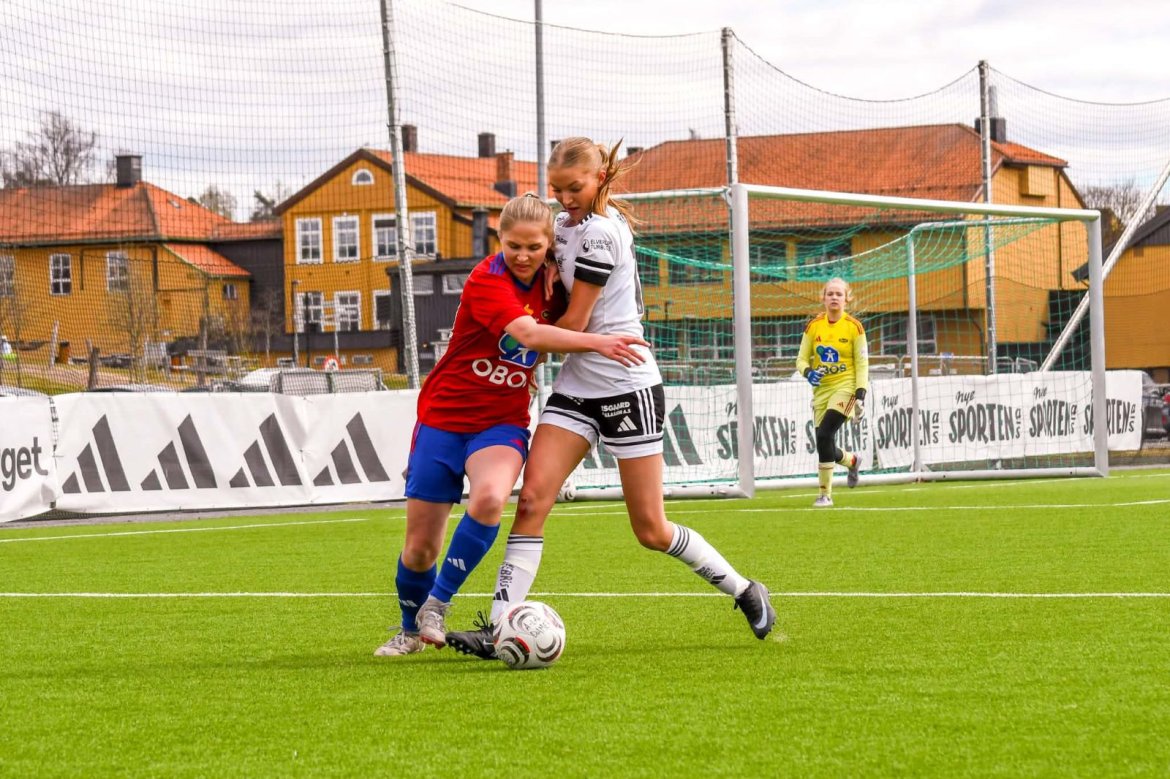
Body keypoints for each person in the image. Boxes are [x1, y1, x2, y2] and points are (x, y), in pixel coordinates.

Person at [443, 137, 776, 660]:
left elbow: (575, 322)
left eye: (573, 188)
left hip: (627, 385)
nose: (564, 198)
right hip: (578, 386)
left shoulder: (601, 233)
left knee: (650, 529)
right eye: (556, 189)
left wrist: (520, 343)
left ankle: (744, 590)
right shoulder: (563, 226)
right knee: (531, 500)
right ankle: (502, 624)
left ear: (599, 178)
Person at [375, 193, 648, 657]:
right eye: (513, 246)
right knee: (420, 549)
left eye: (534, 247)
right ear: (499, 239)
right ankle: (409, 631)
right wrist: (598, 343)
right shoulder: (487, 279)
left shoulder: (557, 283)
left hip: (501, 422)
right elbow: (528, 334)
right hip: (443, 417)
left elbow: (593, 290)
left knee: (489, 499)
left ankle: (437, 605)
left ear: (549, 246)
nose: (522, 256)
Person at [795, 277, 869, 507]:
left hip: (846, 388)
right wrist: (808, 372)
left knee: (826, 433)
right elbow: (801, 359)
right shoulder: (814, 326)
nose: (834, 297)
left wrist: (860, 392)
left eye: (839, 294)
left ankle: (824, 495)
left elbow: (862, 362)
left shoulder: (854, 327)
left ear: (847, 299)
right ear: (824, 298)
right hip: (822, 391)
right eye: (830, 294)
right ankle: (852, 461)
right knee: (823, 441)